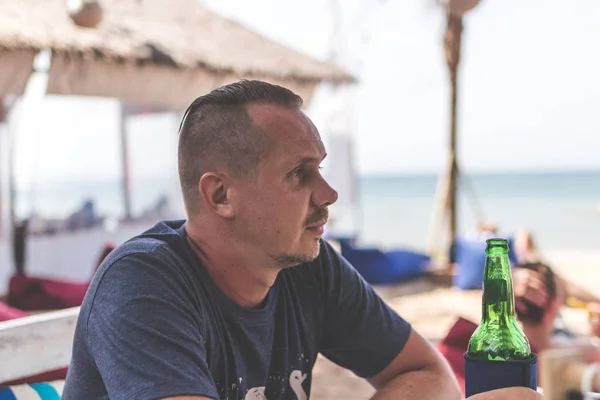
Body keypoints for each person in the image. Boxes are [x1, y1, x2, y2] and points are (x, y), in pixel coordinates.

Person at [62, 80, 538, 400]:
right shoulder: (142, 284)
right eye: (299, 174)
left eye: (322, 169)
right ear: (220, 194)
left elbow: (430, 376)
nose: (328, 195)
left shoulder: (308, 266)